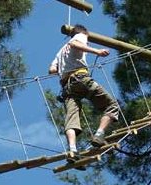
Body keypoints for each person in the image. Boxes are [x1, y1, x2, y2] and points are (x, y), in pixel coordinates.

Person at [49, 24, 119, 167]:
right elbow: (75, 43)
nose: (86, 42)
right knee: (112, 105)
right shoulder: (79, 36)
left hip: (67, 87)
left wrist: (65, 69)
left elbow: (52, 69)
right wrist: (96, 51)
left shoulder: (60, 52)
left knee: (71, 119)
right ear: (84, 33)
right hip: (80, 79)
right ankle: (99, 135)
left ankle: (73, 151)